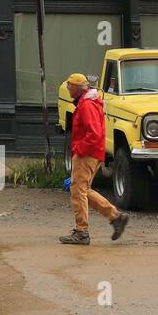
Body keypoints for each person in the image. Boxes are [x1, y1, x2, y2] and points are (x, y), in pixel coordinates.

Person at [61, 72, 129, 245]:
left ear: (76, 88)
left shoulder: (87, 105)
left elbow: (94, 133)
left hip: (86, 154)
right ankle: (116, 217)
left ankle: (81, 232)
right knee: (83, 190)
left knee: (77, 191)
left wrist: (79, 150)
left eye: (69, 85)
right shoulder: (88, 102)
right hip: (92, 153)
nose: (67, 87)